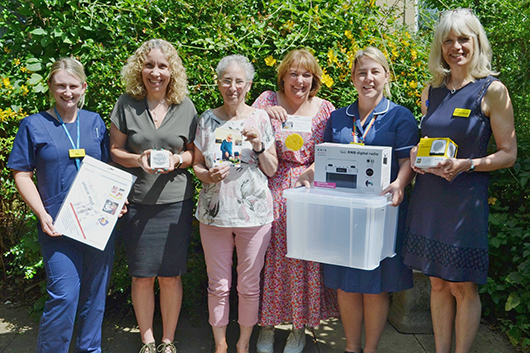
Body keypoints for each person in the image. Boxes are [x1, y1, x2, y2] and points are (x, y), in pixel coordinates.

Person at [402, 9, 517, 353]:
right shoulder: (431, 90)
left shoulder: (493, 90)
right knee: (437, 283)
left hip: (465, 202)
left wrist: (468, 163)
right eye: (448, 40)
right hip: (429, 197)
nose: (456, 47)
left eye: (463, 38)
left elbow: (508, 153)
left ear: (477, 42)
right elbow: (428, 140)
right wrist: (414, 156)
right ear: (440, 46)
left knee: (463, 286)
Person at [8, 57, 114, 352]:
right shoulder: (34, 125)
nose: (67, 92)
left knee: (95, 296)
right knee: (65, 295)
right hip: (57, 225)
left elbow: (106, 169)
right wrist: (41, 213)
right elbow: (21, 173)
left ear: (83, 87)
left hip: (97, 225)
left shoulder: (95, 122)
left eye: (73, 86)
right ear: (51, 88)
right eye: (60, 86)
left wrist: (117, 200)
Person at [319, 47, 419, 353]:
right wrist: (311, 176)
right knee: (346, 284)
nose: (368, 78)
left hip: (382, 213)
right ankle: (351, 347)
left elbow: (408, 161)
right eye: (362, 72)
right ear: (352, 78)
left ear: (386, 76)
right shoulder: (337, 117)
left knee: (376, 286)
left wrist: (400, 184)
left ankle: (371, 348)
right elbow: (324, 160)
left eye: (375, 71)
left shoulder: (400, 116)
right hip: (343, 214)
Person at [109, 39, 198, 353]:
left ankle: (168, 341)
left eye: (163, 66)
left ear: (172, 71)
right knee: (142, 275)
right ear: (140, 69)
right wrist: (137, 159)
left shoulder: (185, 105)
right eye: (149, 65)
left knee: (170, 276)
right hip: (138, 201)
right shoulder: (126, 103)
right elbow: (115, 151)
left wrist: (177, 160)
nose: (156, 72)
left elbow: (194, 155)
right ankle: (147, 341)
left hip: (175, 202)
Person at [251, 48, 339, 353]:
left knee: (304, 261)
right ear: (283, 76)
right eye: (293, 73)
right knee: (270, 260)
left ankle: (299, 329)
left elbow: (329, 153)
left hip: (308, 189)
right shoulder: (266, 101)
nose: (299, 80)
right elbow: (243, 127)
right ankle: (266, 326)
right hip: (270, 187)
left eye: (306, 74)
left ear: (314, 79)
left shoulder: (325, 108)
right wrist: (261, 114)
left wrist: (311, 173)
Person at [193, 55, 278, 353]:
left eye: (239, 81)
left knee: (249, 285)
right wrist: (208, 175)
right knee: (217, 284)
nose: (233, 87)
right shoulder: (206, 119)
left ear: (249, 85)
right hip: (214, 213)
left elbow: (271, 168)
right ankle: (220, 344)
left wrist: (258, 144)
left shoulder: (261, 118)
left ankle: (242, 344)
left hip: (254, 216)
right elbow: (196, 166)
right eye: (227, 80)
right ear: (218, 83)